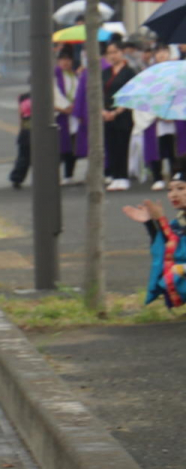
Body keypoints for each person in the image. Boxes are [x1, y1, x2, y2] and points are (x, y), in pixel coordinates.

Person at [122, 168, 186, 309]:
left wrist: (160, 220)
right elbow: (164, 250)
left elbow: (181, 251)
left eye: (180, 188)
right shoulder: (178, 223)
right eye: (170, 190)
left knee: (178, 272)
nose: (173, 195)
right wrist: (150, 223)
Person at [143, 44, 184, 191]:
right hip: (156, 117)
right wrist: (159, 113)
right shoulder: (150, 73)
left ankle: (176, 175)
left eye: (164, 51)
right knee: (158, 147)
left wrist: (172, 113)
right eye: (158, 52)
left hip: (174, 116)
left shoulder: (177, 71)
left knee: (174, 147)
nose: (161, 55)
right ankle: (158, 176)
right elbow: (147, 96)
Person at [102, 40, 137, 191]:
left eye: (115, 52)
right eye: (110, 53)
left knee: (123, 145)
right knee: (111, 146)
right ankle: (115, 176)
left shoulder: (129, 72)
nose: (113, 56)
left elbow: (131, 95)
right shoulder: (105, 73)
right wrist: (103, 111)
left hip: (123, 114)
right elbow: (99, 93)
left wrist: (117, 111)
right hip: (106, 113)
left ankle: (123, 176)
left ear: (121, 53)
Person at [53, 46, 84, 184]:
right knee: (59, 147)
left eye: (68, 59)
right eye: (62, 59)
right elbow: (54, 95)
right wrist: (64, 108)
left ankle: (68, 175)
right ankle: (54, 175)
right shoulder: (54, 75)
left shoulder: (74, 75)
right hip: (60, 115)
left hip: (74, 115)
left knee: (73, 146)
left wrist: (75, 107)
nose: (65, 62)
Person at [9, 93, 33, 189]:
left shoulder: (23, 98)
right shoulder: (43, 96)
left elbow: (21, 117)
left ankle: (16, 178)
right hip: (36, 127)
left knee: (23, 156)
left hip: (26, 128)